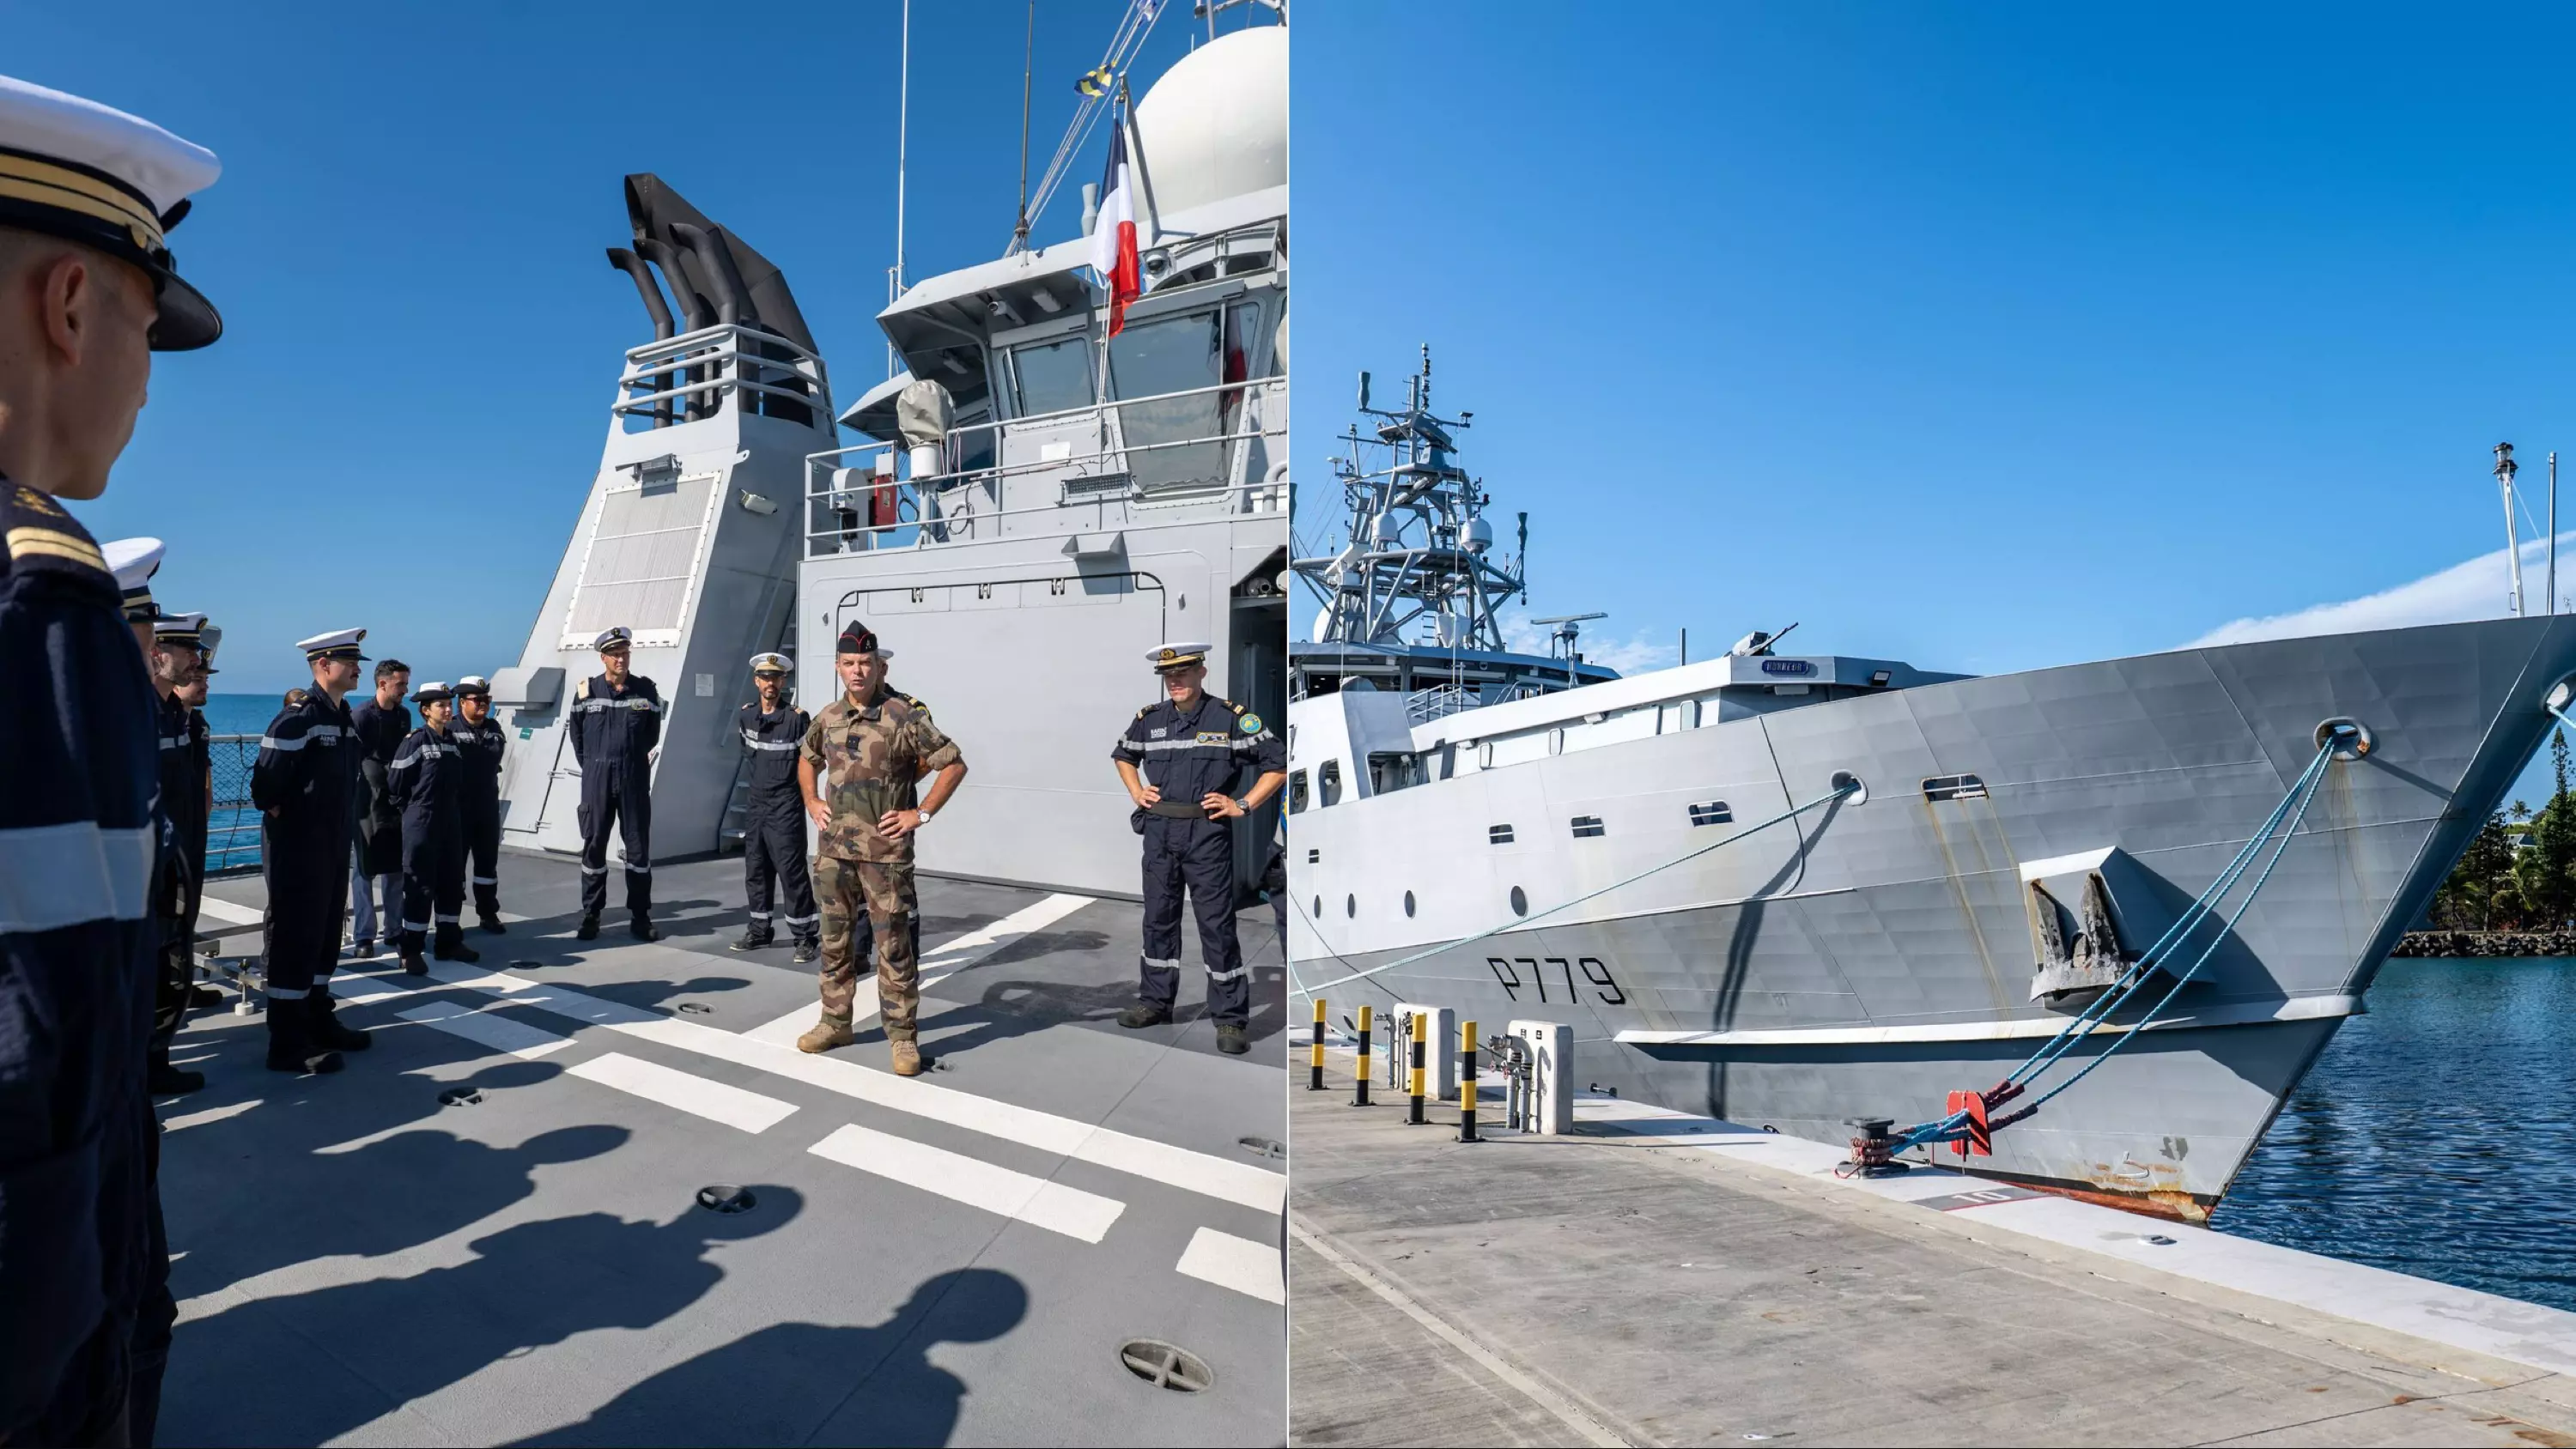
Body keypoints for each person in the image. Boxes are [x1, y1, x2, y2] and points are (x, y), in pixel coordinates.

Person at [0, 73, 223, 1448]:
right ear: (71, 306)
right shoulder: (41, 598)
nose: (145, 385)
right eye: (148, 329)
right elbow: (38, 1076)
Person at [793, 621, 966, 1076]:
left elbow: (953, 763)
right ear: (838, 666)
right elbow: (806, 758)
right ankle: (835, 1022)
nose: (857, 671)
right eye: (848, 663)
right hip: (833, 853)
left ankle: (903, 1038)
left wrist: (919, 813)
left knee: (895, 948)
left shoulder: (903, 716)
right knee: (835, 945)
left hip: (885, 856)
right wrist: (811, 800)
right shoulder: (828, 718)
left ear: (879, 666)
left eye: (865, 663)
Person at [1109, 643, 1286, 1056]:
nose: (1175, 681)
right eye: (1168, 676)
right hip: (1159, 833)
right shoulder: (1149, 720)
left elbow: (1277, 763)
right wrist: (1138, 792)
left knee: (1217, 925)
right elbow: (1123, 756)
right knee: (1158, 920)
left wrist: (1242, 804)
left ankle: (1229, 1019)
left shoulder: (1230, 718)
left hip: (1205, 834)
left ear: (1201, 672)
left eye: (1183, 673)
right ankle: (1155, 1002)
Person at [252, 629, 376, 1075]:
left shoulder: (343, 718)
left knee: (324, 936)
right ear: (324, 665)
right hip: (299, 848)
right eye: (350, 660)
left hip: (331, 844)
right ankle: (286, 1044)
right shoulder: (297, 719)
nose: (359, 668)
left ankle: (318, 1019)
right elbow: (265, 788)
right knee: (294, 941)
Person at [145, 611, 212, 1094]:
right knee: (144, 968)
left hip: (175, 861)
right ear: (157, 653)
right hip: (143, 869)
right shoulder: (136, 711)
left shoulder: (175, 714)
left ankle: (155, 1062)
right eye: (188, 650)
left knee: (166, 962)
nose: (198, 659)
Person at [569, 626, 665, 942]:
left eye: (625, 653)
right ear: (603, 658)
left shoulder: (646, 691)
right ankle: (591, 915)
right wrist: (594, 765)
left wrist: (630, 760)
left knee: (638, 848)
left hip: (633, 776)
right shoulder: (587, 692)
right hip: (596, 777)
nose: (621, 659)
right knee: (594, 846)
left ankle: (640, 916)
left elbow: (652, 734)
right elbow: (577, 737)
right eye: (615, 654)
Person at [733, 652, 817, 961]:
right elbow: (748, 752)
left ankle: (805, 937)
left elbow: (809, 762)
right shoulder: (746, 716)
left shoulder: (797, 719)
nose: (771, 683)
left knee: (791, 872)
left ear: (783, 682)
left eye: (776, 678)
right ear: (757, 681)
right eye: (765, 678)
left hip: (786, 805)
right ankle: (759, 931)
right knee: (756, 869)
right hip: (756, 803)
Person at [386, 682, 476, 974]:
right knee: (420, 886)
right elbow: (396, 783)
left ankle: (448, 941)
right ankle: (411, 949)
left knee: (452, 882)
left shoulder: (452, 741)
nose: (449, 709)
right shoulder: (415, 741)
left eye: (449, 704)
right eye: (442, 705)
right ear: (426, 711)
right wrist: (412, 811)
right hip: (421, 821)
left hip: (450, 821)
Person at [345, 658, 410, 958]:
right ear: (383, 684)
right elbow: (349, 761)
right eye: (400, 684)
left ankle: (395, 929)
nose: (405, 690)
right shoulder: (360, 717)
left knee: (396, 869)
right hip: (366, 801)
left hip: (395, 800)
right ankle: (364, 935)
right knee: (363, 870)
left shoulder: (404, 716)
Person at [450, 675, 507, 932]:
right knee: (454, 867)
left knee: (487, 866)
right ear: (462, 703)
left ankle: (488, 913)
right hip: (458, 810)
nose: (483, 704)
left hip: (486, 808)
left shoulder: (495, 729)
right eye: (477, 700)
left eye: (487, 699)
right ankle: (451, 918)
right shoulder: (450, 731)